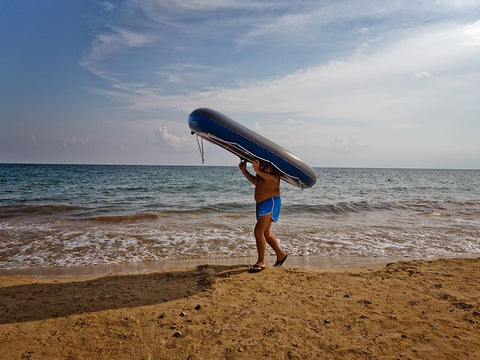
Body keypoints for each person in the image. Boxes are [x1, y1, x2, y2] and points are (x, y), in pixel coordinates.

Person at [239, 159, 288, 273]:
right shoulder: (263, 169)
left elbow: (271, 179)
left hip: (270, 202)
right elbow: (256, 181)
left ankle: (261, 261)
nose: (261, 167)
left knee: (258, 231)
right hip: (261, 204)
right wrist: (244, 171)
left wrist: (258, 170)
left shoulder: (274, 174)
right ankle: (281, 255)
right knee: (266, 233)